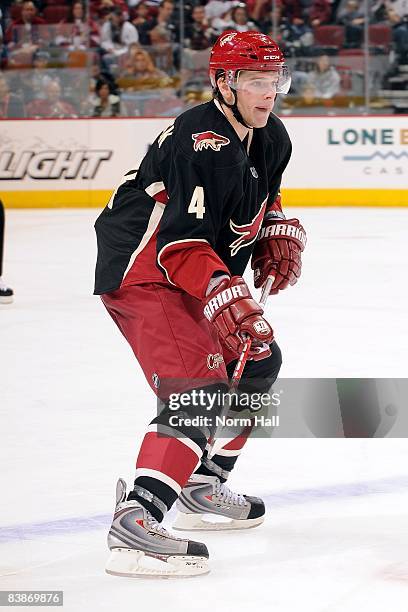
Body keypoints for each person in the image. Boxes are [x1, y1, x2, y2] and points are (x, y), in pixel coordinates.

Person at [94, 30, 307, 578]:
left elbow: (264, 194)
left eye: (274, 81)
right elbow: (179, 241)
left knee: (259, 360)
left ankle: (204, 483)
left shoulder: (273, 135)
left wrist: (275, 227)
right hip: (146, 270)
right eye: (256, 81)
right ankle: (136, 519)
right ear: (223, 82)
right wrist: (222, 290)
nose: (269, 94)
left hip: (193, 268)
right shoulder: (198, 136)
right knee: (200, 393)